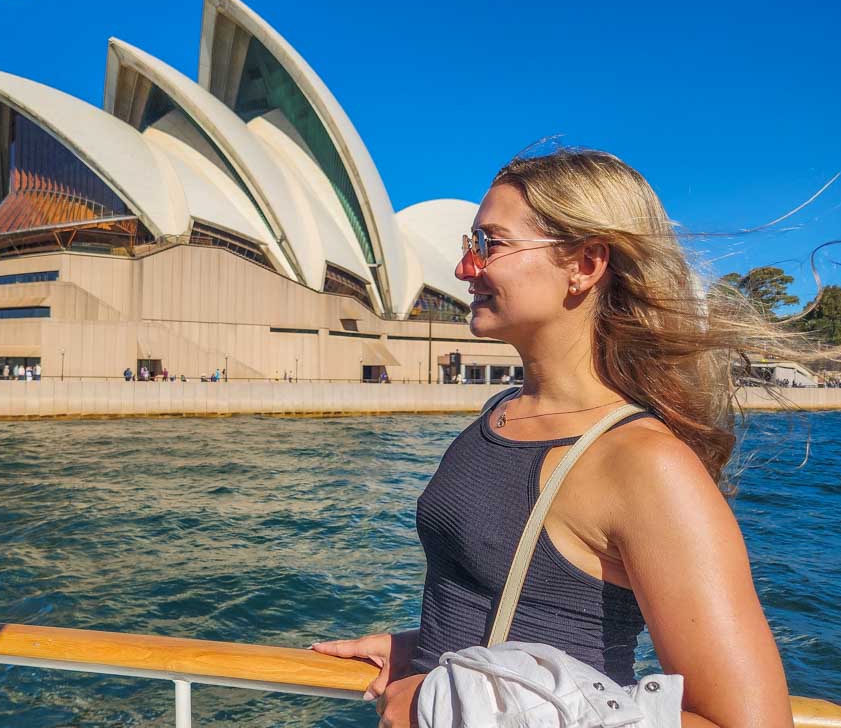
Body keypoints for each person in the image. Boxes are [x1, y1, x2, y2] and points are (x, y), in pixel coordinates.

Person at [312, 149, 810, 727]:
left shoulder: (643, 463)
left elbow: (746, 723)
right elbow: (535, 610)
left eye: (489, 244)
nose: (463, 270)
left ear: (585, 264)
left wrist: (442, 701)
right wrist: (429, 648)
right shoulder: (500, 416)